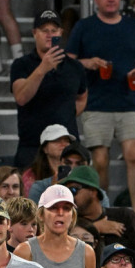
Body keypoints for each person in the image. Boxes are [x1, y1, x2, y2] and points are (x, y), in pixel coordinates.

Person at [66, 0, 135, 217]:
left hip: (127, 101)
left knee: (134, 155)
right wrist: (89, 62)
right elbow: (68, 61)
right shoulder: (84, 26)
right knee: (101, 160)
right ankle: (101, 210)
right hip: (95, 102)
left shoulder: (132, 25)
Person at [60, 166, 135, 268]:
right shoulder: (68, 222)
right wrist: (95, 228)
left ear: (93, 191)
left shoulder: (124, 216)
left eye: (73, 190)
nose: (70, 196)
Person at [10, 10, 87, 168]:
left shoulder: (75, 67)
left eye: (54, 30)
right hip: (32, 144)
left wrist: (66, 114)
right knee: (28, 192)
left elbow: (82, 97)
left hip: (67, 146)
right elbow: (21, 97)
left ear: (61, 33)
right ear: (34, 33)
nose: (49, 35)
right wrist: (42, 69)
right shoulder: (21, 65)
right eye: (44, 30)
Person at [21, 124, 75, 196]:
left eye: (66, 140)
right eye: (57, 140)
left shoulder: (77, 169)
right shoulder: (31, 175)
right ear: (45, 148)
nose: (63, 144)